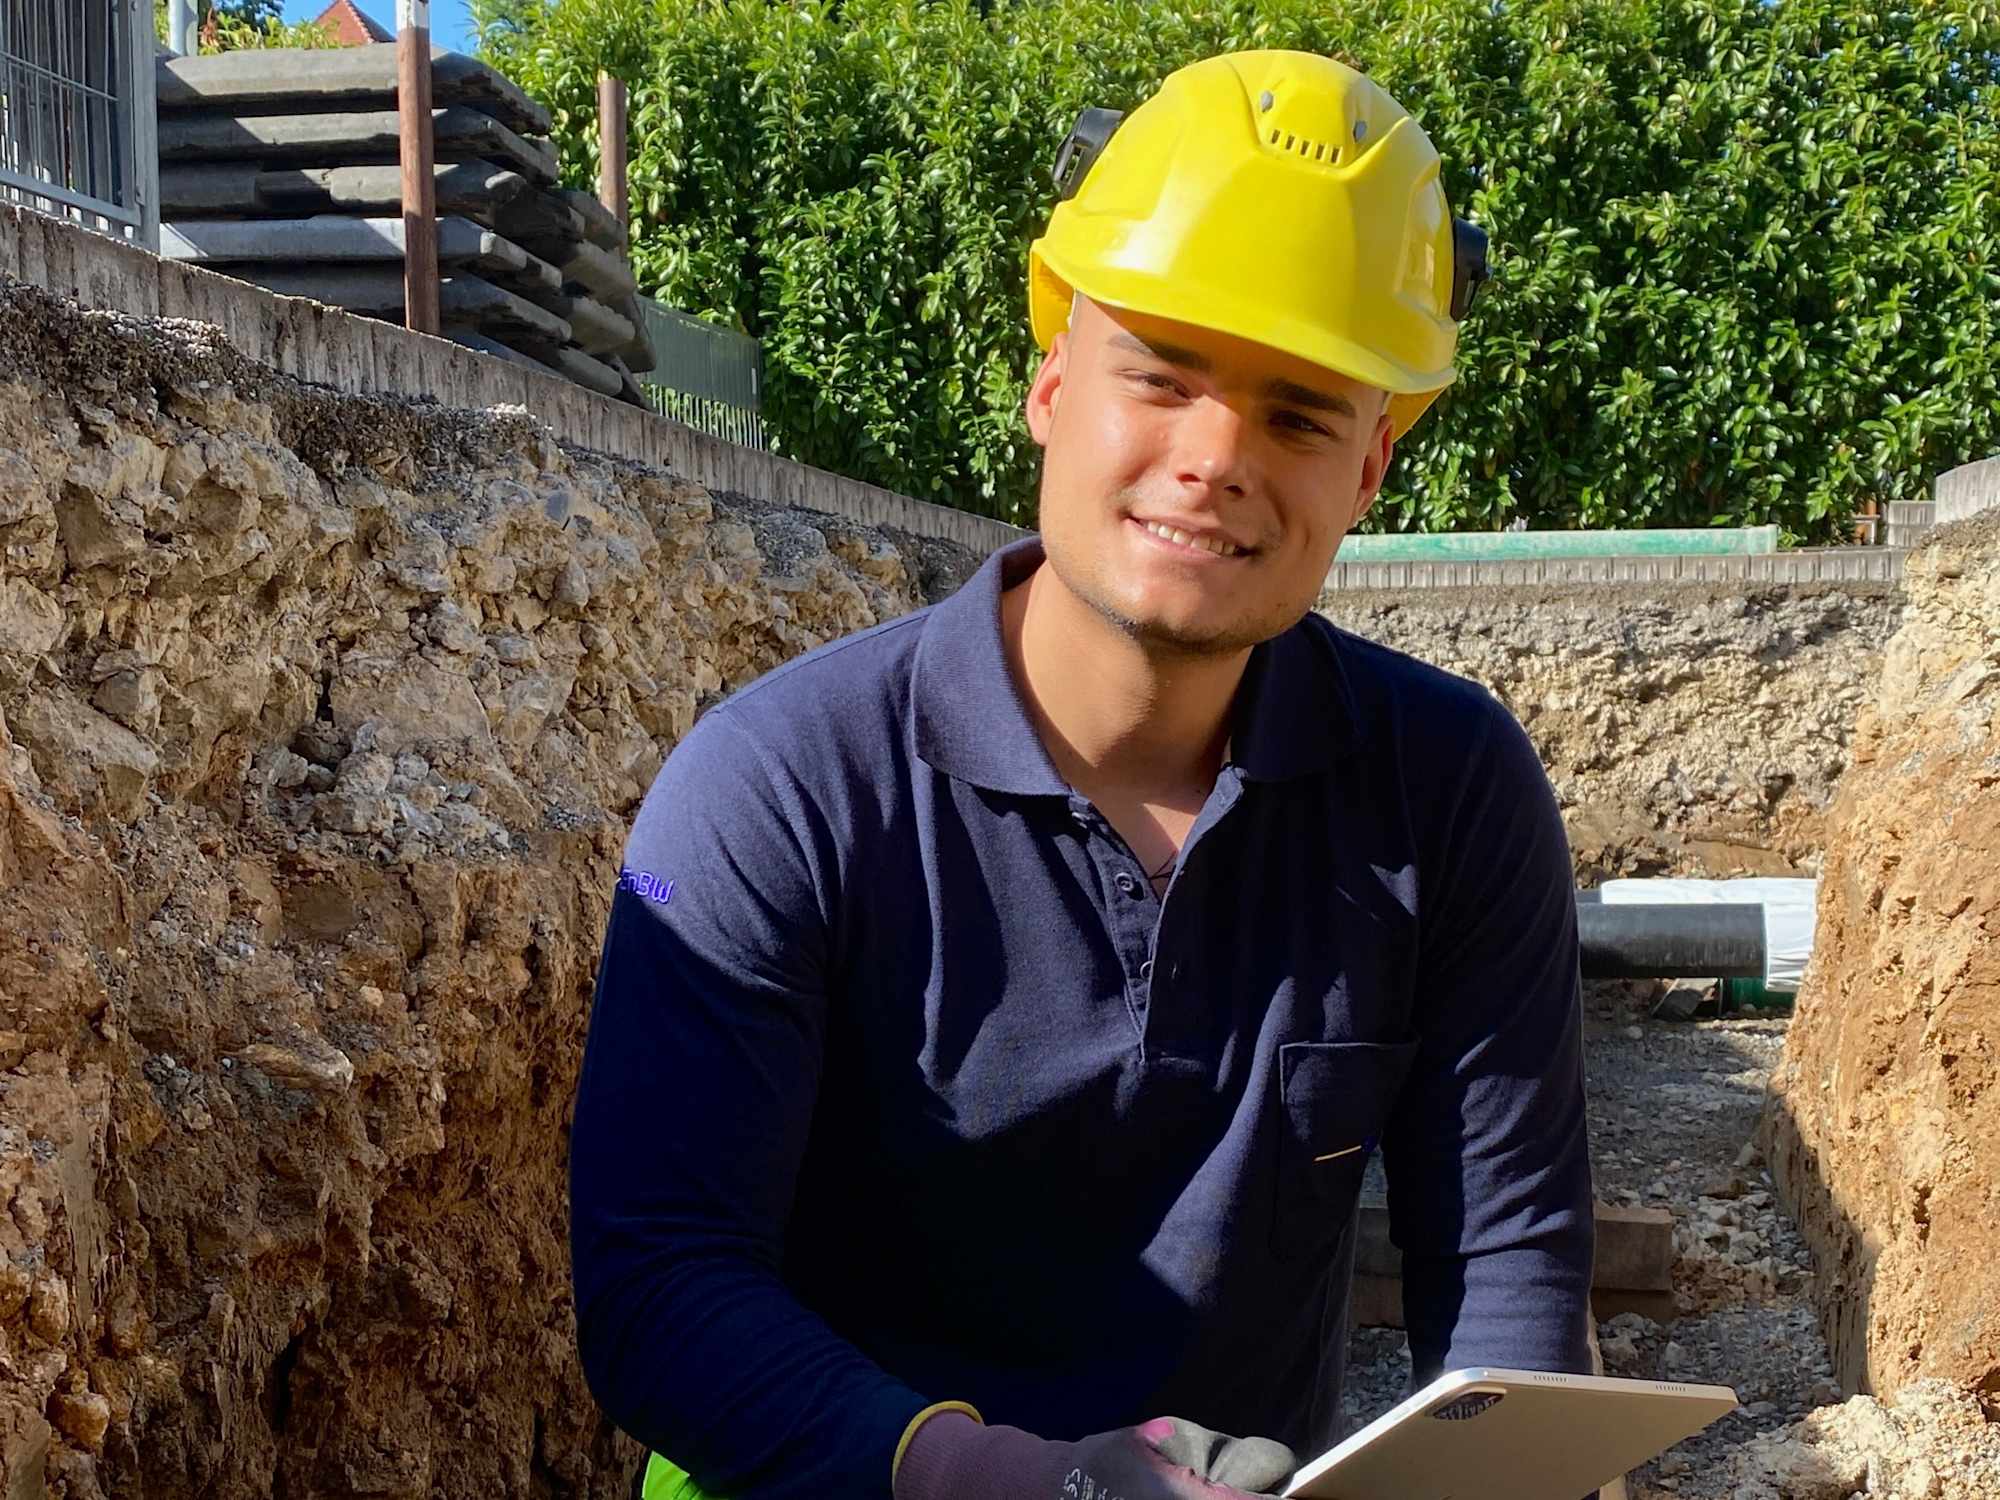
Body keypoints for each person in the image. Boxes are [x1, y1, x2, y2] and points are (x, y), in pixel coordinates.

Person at [569, 48, 1594, 1500]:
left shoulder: (1448, 794)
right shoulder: (784, 790)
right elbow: (658, 1284)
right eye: (1162, 376)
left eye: (1300, 414)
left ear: (1369, 468)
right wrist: (1003, 1481)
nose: (1215, 457)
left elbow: (1510, 1269)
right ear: (1052, 383)